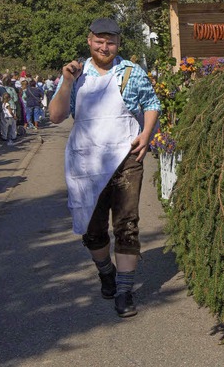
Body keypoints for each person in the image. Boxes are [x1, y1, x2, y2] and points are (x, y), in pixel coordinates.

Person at [49, 18, 161, 318]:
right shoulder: (76, 74)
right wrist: (67, 82)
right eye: (99, 40)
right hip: (86, 162)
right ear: (90, 41)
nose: (104, 46)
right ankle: (106, 273)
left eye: (110, 41)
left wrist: (146, 134)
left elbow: (152, 102)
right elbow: (56, 116)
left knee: (127, 225)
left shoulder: (131, 73)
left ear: (118, 44)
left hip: (126, 158)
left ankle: (124, 291)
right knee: (92, 229)